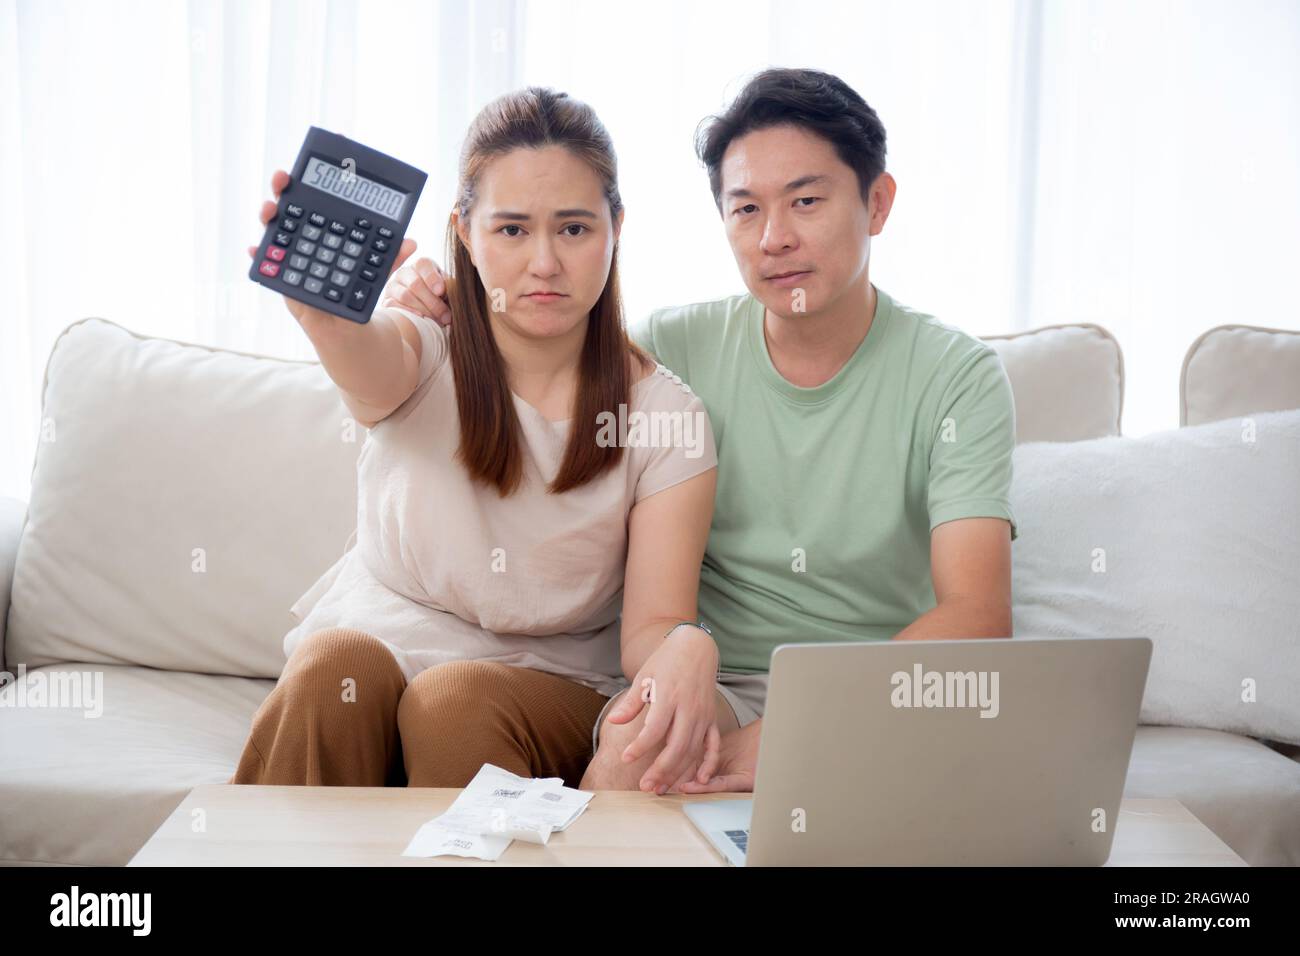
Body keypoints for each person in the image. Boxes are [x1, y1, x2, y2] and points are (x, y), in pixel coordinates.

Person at [381, 68, 1019, 794]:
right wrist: (431, 300)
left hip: (884, 691)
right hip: (712, 687)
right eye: (746, 209)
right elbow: (535, 342)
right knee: (627, 765)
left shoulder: (956, 375)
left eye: (806, 201)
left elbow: (976, 609)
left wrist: (800, 735)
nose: (775, 238)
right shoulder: (670, 352)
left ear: (877, 203)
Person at [230, 87, 726, 793]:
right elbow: (369, 363)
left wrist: (687, 645)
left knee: (453, 700)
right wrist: (325, 316)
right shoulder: (423, 346)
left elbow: (652, 631)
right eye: (512, 230)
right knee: (331, 666)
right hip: (381, 643)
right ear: (464, 231)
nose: (545, 263)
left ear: (617, 227)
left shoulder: (665, 417)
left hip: (546, 684)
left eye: (575, 229)